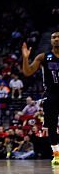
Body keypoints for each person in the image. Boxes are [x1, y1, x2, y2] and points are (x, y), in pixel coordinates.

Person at [21, 31, 59, 166]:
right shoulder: (43, 57)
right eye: (54, 37)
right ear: (50, 40)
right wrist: (25, 58)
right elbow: (27, 72)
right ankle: (56, 155)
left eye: (58, 37)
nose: (56, 39)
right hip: (51, 94)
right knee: (52, 126)